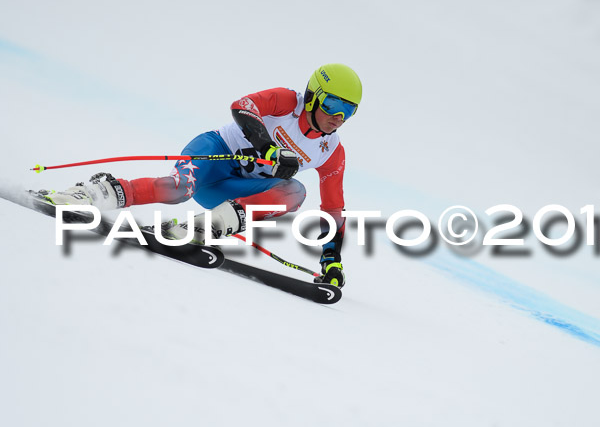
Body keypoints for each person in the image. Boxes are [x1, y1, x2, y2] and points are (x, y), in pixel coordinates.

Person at [41, 63, 362, 288]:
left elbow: (333, 209)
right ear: (314, 95)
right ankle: (92, 194)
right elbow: (243, 105)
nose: (338, 118)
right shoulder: (287, 101)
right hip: (214, 152)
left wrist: (330, 258)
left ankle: (196, 229)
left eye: (348, 111)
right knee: (177, 189)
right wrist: (265, 145)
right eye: (333, 105)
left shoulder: (331, 151)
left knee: (295, 192)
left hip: (232, 188)